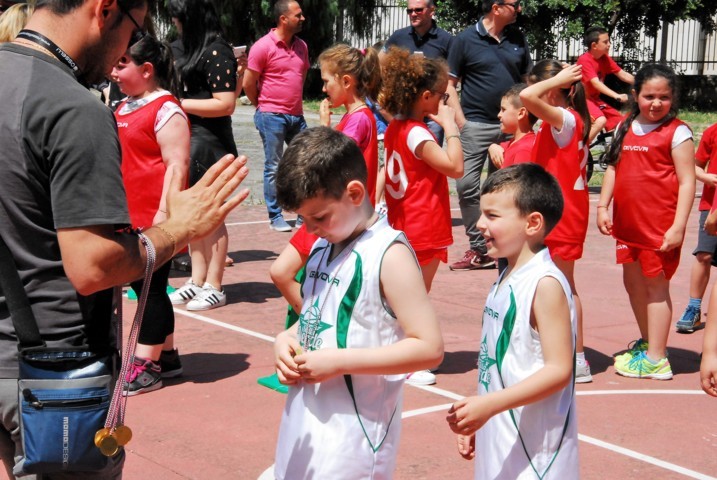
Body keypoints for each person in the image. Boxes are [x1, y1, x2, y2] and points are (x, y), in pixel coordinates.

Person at [0, 0, 249, 476]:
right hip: (55, 370)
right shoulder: (71, 107)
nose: (123, 52)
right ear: (107, 10)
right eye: (135, 28)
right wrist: (178, 229)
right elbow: (94, 266)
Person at [272, 126, 443, 479]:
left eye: (319, 217)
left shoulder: (389, 255)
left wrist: (338, 361)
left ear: (354, 193)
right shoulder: (323, 245)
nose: (310, 229)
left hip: (355, 438)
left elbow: (429, 348)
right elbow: (316, 315)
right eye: (303, 220)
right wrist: (286, 339)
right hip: (304, 422)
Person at [446, 163, 578, 479]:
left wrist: (490, 406)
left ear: (532, 223)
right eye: (482, 213)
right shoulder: (506, 276)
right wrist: (482, 413)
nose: (480, 223)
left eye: (492, 216)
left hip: (536, 456)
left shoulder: (544, 284)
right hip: (502, 437)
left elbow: (559, 370)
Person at [597, 63, 695, 380]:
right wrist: (602, 206)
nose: (656, 103)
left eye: (663, 97)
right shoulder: (626, 126)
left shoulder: (678, 132)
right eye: (649, 96)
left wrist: (678, 226)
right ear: (635, 95)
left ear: (672, 98)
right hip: (627, 225)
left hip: (658, 227)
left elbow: (687, 182)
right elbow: (613, 168)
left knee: (656, 287)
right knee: (633, 284)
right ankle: (649, 342)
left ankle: (657, 359)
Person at [270, 42, 383, 315]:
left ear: (346, 81)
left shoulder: (359, 119)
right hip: (334, 212)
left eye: (326, 81)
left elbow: (330, 161)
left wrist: (323, 127)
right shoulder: (356, 117)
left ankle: (314, 320)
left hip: (333, 212)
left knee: (282, 272)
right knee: (307, 276)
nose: (323, 89)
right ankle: (316, 318)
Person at [381, 47, 463, 386]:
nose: (445, 101)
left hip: (405, 220)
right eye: (442, 95)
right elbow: (455, 167)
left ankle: (395, 353)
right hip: (421, 223)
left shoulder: (397, 127)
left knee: (402, 295)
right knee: (414, 298)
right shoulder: (417, 132)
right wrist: (451, 127)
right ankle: (408, 360)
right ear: (425, 96)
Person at [112, 34, 189, 395]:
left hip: (153, 216)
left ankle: (147, 366)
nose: (114, 71)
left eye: (122, 63)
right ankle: (167, 355)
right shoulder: (124, 106)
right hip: (127, 213)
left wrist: (164, 213)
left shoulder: (166, 109)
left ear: (146, 70)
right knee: (146, 286)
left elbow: (177, 165)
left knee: (149, 289)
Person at [445, 0, 532, 271]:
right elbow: (449, 84)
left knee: (505, 189)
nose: (519, 9)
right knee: (466, 186)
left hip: (510, 128)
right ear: (496, 7)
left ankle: (504, 248)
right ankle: (479, 248)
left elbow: (527, 83)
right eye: (515, 4)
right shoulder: (465, 39)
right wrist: (462, 123)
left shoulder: (517, 38)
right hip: (475, 125)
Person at [520, 60, 592, 383]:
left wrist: (557, 80)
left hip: (564, 213)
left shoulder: (565, 118)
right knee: (550, 283)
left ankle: (577, 357)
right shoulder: (559, 121)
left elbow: (527, 97)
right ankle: (556, 349)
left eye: (542, 86)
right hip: (554, 210)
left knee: (563, 284)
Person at [166, 0, 239, 311]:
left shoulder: (216, 50)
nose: (175, 24)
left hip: (211, 143)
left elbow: (225, 103)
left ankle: (214, 285)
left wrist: (177, 103)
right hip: (188, 137)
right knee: (193, 214)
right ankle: (196, 280)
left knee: (212, 216)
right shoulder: (184, 48)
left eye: (178, 19)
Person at [243, 0, 309, 233]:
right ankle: (275, 215)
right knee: (274, 165)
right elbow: (248, 83)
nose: (302, 18)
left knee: (306, 162)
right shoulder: (262, 46)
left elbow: (301, 76)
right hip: (271, 115)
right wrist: (263, 106)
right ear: (283, 19)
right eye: (298, 15)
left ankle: (304, 213)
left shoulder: (302, 46)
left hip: (297, 116)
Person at [384, 0, 452, 145]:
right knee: (403, 151)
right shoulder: (398, 37)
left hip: (432, 115)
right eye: (410, 11)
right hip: (403, 110)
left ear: (431, 11)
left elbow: (451, 78)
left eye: (418, 10)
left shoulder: (446, 40)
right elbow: (381, 64)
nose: (413, 14)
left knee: (430, 153)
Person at [676, 121, 717, 333]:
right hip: (711, 205)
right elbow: (695, 165)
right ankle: (694, 308)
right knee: (704, 255)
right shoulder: (712, 132)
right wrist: (705, 176)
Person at [576, 26, 635, 143]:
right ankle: (580, 148)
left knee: (621, 123)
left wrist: (644, 83)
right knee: (600, 121)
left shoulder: (604, 59)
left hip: (595, 100)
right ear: (594, 45)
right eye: (605, 42)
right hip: (582, 99)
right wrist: (616, 95)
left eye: (609, 41)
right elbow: (596, 83)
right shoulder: (585, 60)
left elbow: (622, 74)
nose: (609, 44)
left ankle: (615, 149)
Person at [487, 83, 537, 169]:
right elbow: (503, 147)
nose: (499, 115)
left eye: (503, 109)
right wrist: (492, 147)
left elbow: (520, 178)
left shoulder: (524, 150)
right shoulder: (514, 142)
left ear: (521, 113)